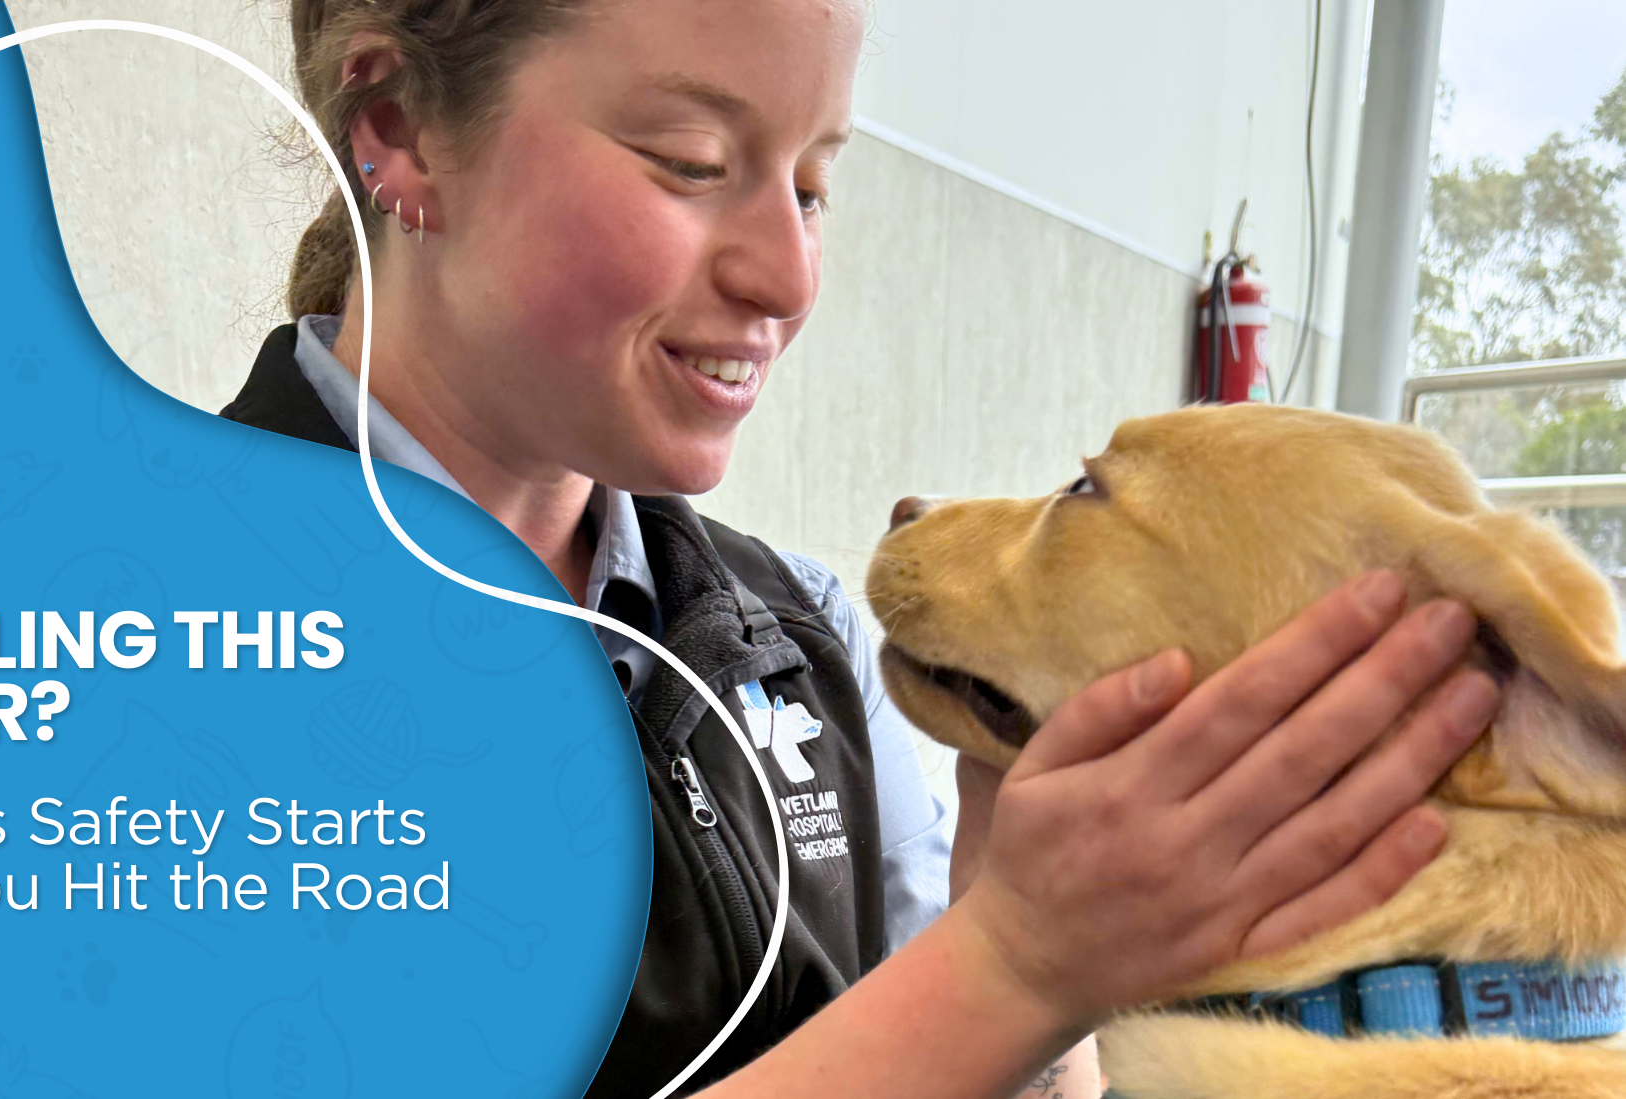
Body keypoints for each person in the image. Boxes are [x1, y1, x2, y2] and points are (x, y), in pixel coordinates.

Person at [218, 2, 1499, 1096]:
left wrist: (1029, 911)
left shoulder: (797, 633)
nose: (788, 278)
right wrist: (1017, 963)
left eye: (812, 187)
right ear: (397, 128)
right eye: (691, 161)